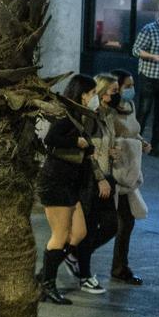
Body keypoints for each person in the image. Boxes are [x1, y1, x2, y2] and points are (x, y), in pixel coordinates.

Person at [37, 74, 97, 305]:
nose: (95, 98)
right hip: (56, 181)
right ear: (83, 94)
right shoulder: (66, 115)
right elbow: (51, 139)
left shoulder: (81, 116)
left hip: (70, 183)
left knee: (79, 233)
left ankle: (44, 275)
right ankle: (47, 287)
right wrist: (77, 143)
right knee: (59, 235)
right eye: (93, 94)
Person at [63, 74, 120, 295]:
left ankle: (73, 254)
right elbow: (87, 153)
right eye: (113, 91)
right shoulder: (87, 118)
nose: (117, 95)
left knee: (110, 226)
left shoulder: (106, 115)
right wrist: (99, 178)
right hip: (92, 180)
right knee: (87, 228)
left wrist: (112, 152)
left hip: (107, 176)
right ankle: (84, 274)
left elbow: (103, 145)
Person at [109, 69, 149, 286]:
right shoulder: (107, 110)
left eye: (132, 85)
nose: (131, 90)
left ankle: (120, 267)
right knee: (105, 223)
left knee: (126, 221)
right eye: (127, 86)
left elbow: (133, 132)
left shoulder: (131, 106)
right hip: (112, 170)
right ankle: (71, 255)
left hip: (128, 172)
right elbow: (105, 135)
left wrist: (141, 142)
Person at [131, 3, 159, 158]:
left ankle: (156, 146)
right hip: (149, 77)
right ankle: (134, 144)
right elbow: (136, 50)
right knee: (144, 111)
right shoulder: (149, 29)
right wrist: (152, 56)